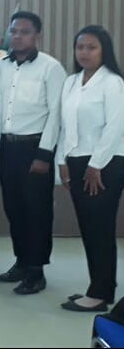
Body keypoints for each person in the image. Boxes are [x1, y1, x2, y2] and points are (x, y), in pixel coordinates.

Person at [0, 11, 66, 295]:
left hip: (34, 148)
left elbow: (56, 114)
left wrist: (44, 154)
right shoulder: (0, 67)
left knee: (37, 211)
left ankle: (37, 271)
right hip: (7, 148)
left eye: (24, 32)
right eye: (13, 31)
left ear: (37, 35)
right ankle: (21, 262)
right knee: (14, 208)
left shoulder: (51, 68)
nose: (18, 36)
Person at [57, 25, 124, 312]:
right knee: (88, 227)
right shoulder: (72, 81)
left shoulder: (113, 82)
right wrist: (62, 160)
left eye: (91, 47)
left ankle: (99, 294)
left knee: (100, 228)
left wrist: (96, 165)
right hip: (76, 160)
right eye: (80, 47)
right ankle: (99, 288)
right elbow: (65, 125)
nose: (84, 52)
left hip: (105, 163)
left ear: (104, 50)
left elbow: (116, 127)